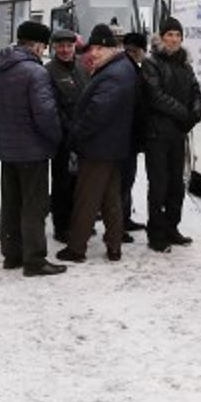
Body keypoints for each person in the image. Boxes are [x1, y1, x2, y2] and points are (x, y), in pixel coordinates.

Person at [56, 24, 138, 264]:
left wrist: (76, 136)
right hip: (112, 146)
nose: (95, 53)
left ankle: (76, 248)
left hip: (98, 147)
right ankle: (114, 246)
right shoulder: (120, 67)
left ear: (113, 48)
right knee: (111, 198)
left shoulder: (115, 73)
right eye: (93, 48)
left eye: (101, 48)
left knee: (86, 199)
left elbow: (97, 112)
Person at [0, 21, 66, 277]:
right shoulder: (35, 72)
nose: (44, 50)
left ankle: (12, 255)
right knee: (34, 206)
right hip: (32, 150)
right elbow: (45, 113)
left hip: (7, 148)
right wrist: (56, 138)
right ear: (36, 44)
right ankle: (34, 260)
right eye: (44, 45)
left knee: (11, 204)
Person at [142, 17, 201, 251]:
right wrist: (184, 113)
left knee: (176, 186)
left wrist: (197, 111)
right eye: (169, 35)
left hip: (178, 134)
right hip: (157, 134)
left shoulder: (185, 65)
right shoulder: (151, 63)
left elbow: (196, 91)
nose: (174, 39)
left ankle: (172, 228)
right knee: (158, 186)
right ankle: (156, 234)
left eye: (178, 35)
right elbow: (155, 96)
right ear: (161, 37)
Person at [45, 27, 89, 242]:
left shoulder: (82, 67)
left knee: (81, 184)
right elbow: (52, 107)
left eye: (69, 46)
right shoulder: (48, 71)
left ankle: (78, 223)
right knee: (62, 185)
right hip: (62, 139)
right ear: (54, 47)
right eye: (60, 46)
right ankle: (61, 227)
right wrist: (69, 130)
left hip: (83, 137)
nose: (65, 50)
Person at [120, 31, 149, 236]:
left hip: (127, 137)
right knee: (123, 182)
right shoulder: (127, 70)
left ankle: (124, 219)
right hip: (124, 138)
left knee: (126, 181)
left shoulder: (128, 67)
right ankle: (119, 224)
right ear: (138, 50)